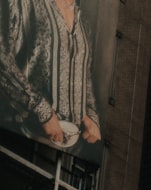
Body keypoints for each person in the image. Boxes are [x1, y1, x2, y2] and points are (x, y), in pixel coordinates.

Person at [0, 0, 101, 148]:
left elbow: (84, 74)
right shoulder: (22, 3)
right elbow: (2, 59)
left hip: (68, 148)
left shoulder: (83, 21)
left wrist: (90, 114)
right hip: (20, 135)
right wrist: (43, 111)